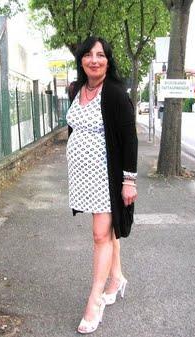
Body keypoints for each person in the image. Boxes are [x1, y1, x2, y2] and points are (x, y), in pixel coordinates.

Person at [66, 36, 138, 334]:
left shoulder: (115, 93)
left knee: (100, 235)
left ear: (108, 60)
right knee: (107, 231)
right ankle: (116, 276)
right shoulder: (76, 89)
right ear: (81, 59)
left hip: (107, 177)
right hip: (83, 176)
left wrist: (129, 181)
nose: (93, 60)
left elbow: (129, 138)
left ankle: (94, 301)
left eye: (100, 55)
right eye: (88, 55)